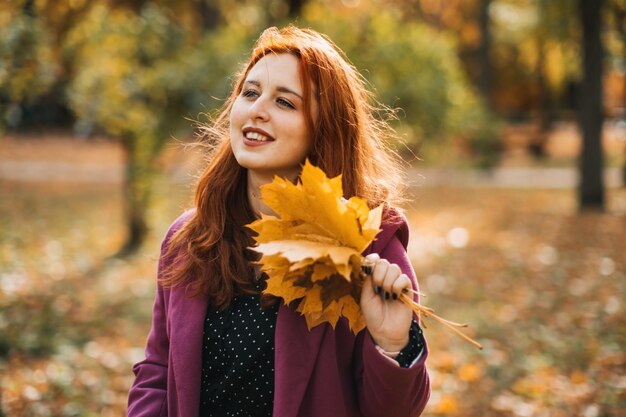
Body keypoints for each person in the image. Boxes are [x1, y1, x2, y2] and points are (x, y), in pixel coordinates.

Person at [127, 25, 430, 417]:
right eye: (250, 93)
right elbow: (158, 369)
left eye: (285, 102)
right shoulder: (189, 238)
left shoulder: (367, 246)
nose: (257, 110)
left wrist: (392, 343)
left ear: (324, 129)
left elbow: (394, 411)